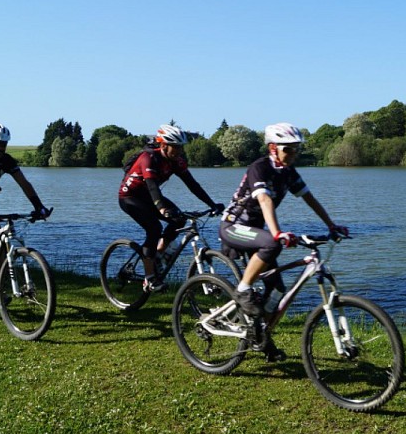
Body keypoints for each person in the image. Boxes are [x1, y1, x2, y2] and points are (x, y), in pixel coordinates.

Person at [219, 122, 349, 321]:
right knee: (271, 243)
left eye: (297, 149)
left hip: (256, 232)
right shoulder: (259, 167)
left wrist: (331, 225)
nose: (293, 154)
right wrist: (277, 233)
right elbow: (264, 199)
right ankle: (243, 289)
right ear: (273, 148)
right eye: (288, 149)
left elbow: (309, 199)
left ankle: (261, 336)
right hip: (233, 226)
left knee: (278, 291)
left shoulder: (288, 172)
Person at [119, 124, 224, 293]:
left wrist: (212, 204)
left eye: (180, 147)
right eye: (175, 147)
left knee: (179, 219)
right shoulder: (148, 158)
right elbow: (153, 186)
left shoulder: (176, 161)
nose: (178, 151)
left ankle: (157, 256)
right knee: (154, 229)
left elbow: (192, 185)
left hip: (148, 197)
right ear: (163, 145)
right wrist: (161, 208)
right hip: (130, 197)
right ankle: (149, 279)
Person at [0, 123, 52, 302]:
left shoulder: (6, 160)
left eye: (3, 144)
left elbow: (24, 183)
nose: (0, 148)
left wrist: (39, 206)